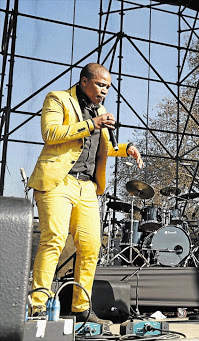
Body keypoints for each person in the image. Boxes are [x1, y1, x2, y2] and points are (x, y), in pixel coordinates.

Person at [27, 63, 144, 324]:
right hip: (58, 181)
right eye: (101, 85)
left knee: (91, 246)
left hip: (87, 186)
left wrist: (126, 149)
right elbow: (51, 133)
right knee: (53, 240)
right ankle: (37, 307)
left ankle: (81, 308)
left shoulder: (99, 111)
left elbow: (104, 147)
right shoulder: (58, 99)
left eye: (108, 87)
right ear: (84, 81)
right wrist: (91, 123)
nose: (104, 91)